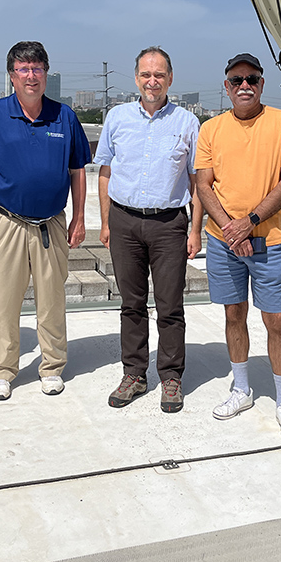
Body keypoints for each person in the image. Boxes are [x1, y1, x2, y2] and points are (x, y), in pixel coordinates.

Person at [0, 41, 91, 401]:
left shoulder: (63, 116)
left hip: (51, 224)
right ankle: (1, 370)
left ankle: (51, 367)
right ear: (12, 76)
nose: (31, 75)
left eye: (37, 69)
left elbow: (77, 170)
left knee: (52, 300)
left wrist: (79, 218)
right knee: (1, 300)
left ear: (46, 74)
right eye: (23, 69)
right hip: (5, 222)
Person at [195, 53, 281, 442]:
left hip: (268, 239)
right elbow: (203, 184)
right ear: (226, 86)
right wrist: (230, 229)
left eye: (252, 79)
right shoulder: (211, 128)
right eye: (237, 79)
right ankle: (241, 388)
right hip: (225, 240)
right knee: (233, 314)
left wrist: (250, 224)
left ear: (262, 85)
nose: (245, 85)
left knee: (276, 320)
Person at [94, 47, 203, 413]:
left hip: (169, 223)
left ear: (170, 79)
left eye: (159, 75)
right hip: (124, 221)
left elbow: (196, 179)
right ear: (136, 78)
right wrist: (106, 220)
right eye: (145, 75)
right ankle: (135, 374)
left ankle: (171, 377)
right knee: (131, 303)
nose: (152, 81)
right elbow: (105, 171)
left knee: (171, 305)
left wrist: (195, 230)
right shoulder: (117, 117)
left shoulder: (188, 123)